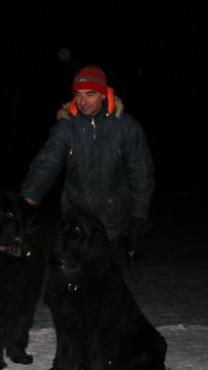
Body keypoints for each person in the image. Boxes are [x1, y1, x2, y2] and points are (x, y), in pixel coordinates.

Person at [20, 65, 154, 266]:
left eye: (90, 94)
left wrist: (139, 217)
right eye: (78, 94)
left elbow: (141, 173)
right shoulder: (66, 128)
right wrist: (27, 201)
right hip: (75, 221)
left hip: (114, 223)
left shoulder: (126, 127)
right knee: (74, 286)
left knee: (113, 288)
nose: (83, 102)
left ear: (103, 94)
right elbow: (47, 163)